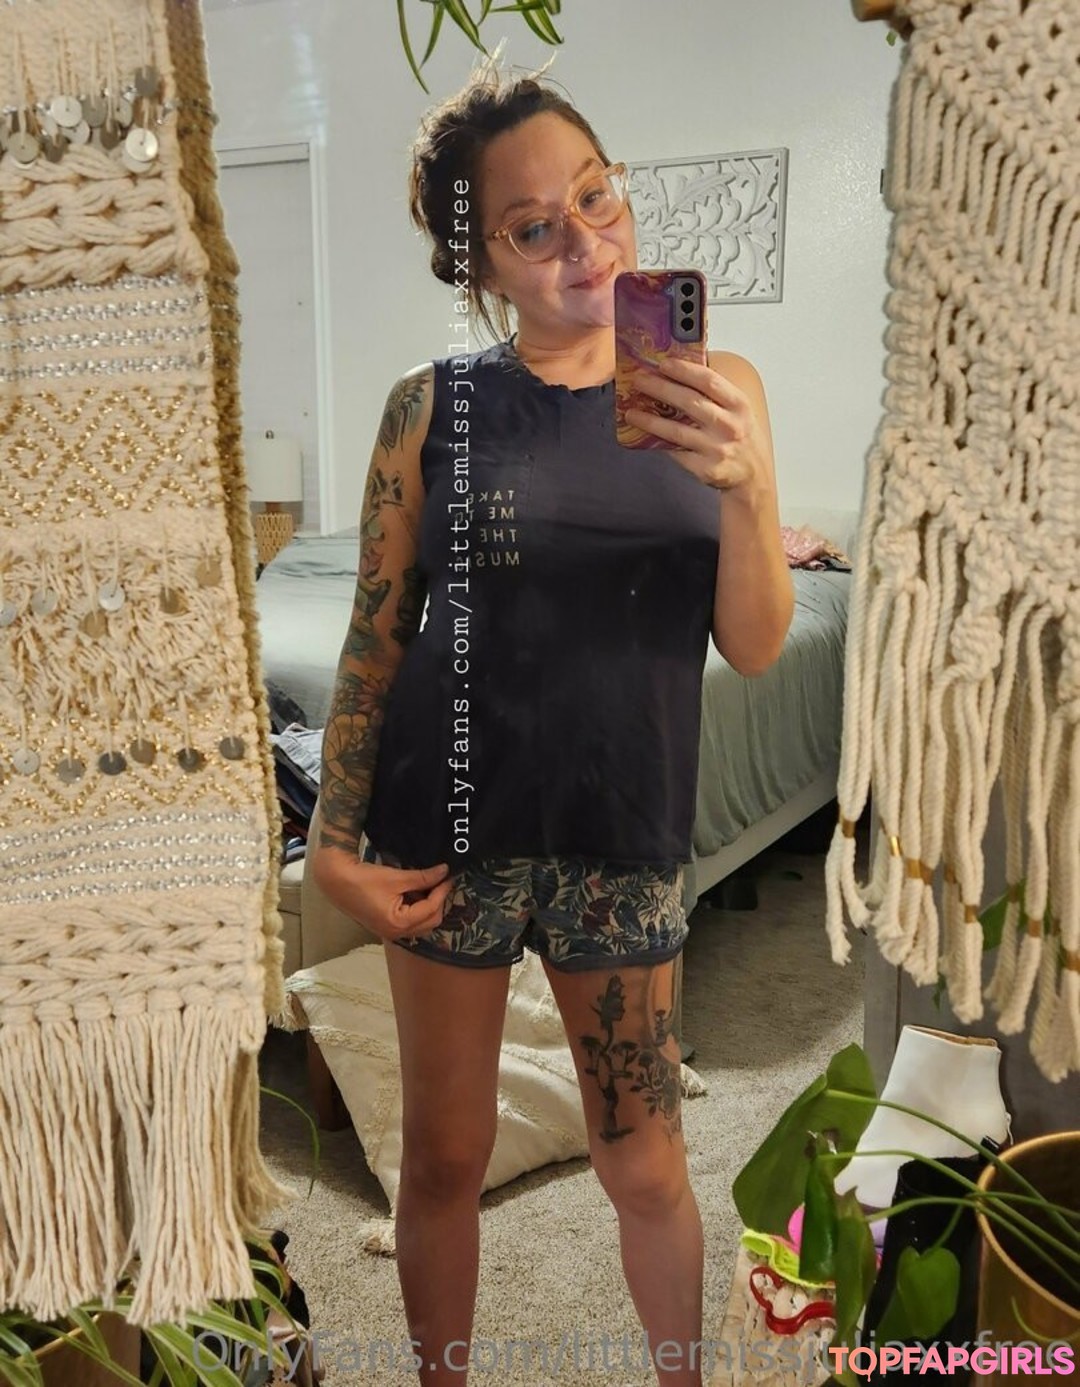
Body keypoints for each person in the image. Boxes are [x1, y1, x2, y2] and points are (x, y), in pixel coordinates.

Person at [311, 63, 794, 1387]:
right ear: (481, 263)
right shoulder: (429, 406)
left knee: (645, 1164)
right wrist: (332, 848)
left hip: (622, 833)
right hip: (444, 833)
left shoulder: (718, 385)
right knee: (444, 1159)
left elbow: (756, 643)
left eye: (598, 195)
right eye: (536, 227)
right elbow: (376, 635)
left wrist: (751, 492)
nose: (587, 241)